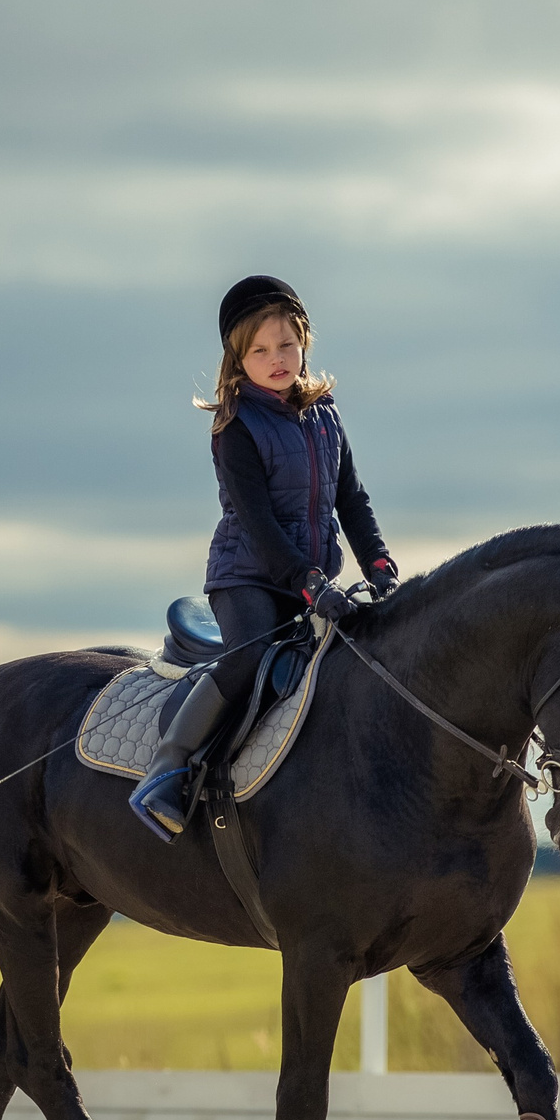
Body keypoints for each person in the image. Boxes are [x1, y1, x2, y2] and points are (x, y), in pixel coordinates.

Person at [130, 275, 399, 837]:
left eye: (286, 345)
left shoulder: (327, 416)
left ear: (304, 342)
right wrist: (308, 580)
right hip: (248, 577)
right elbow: (259, 525)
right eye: (260, 350)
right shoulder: (235, 428)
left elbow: (351, 499)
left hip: (314, 579)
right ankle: (170, 767)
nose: (276, 359)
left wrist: (378, 564)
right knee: (250, 657)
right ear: (237, 357)